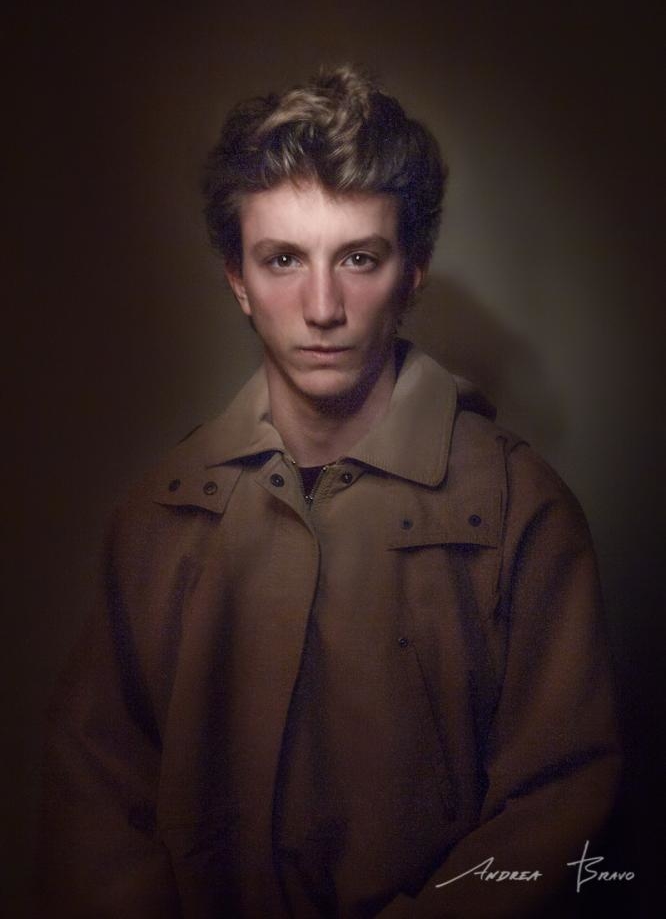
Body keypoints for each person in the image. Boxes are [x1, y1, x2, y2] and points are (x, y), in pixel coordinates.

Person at [38, 66, 620, 918]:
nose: (322, 307)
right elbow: (93, 801)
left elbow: (558, 805)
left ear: (412, 271)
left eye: (358, 258)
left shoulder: (521, 509)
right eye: (283, 259)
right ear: (236, 278)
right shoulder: (157, 517)